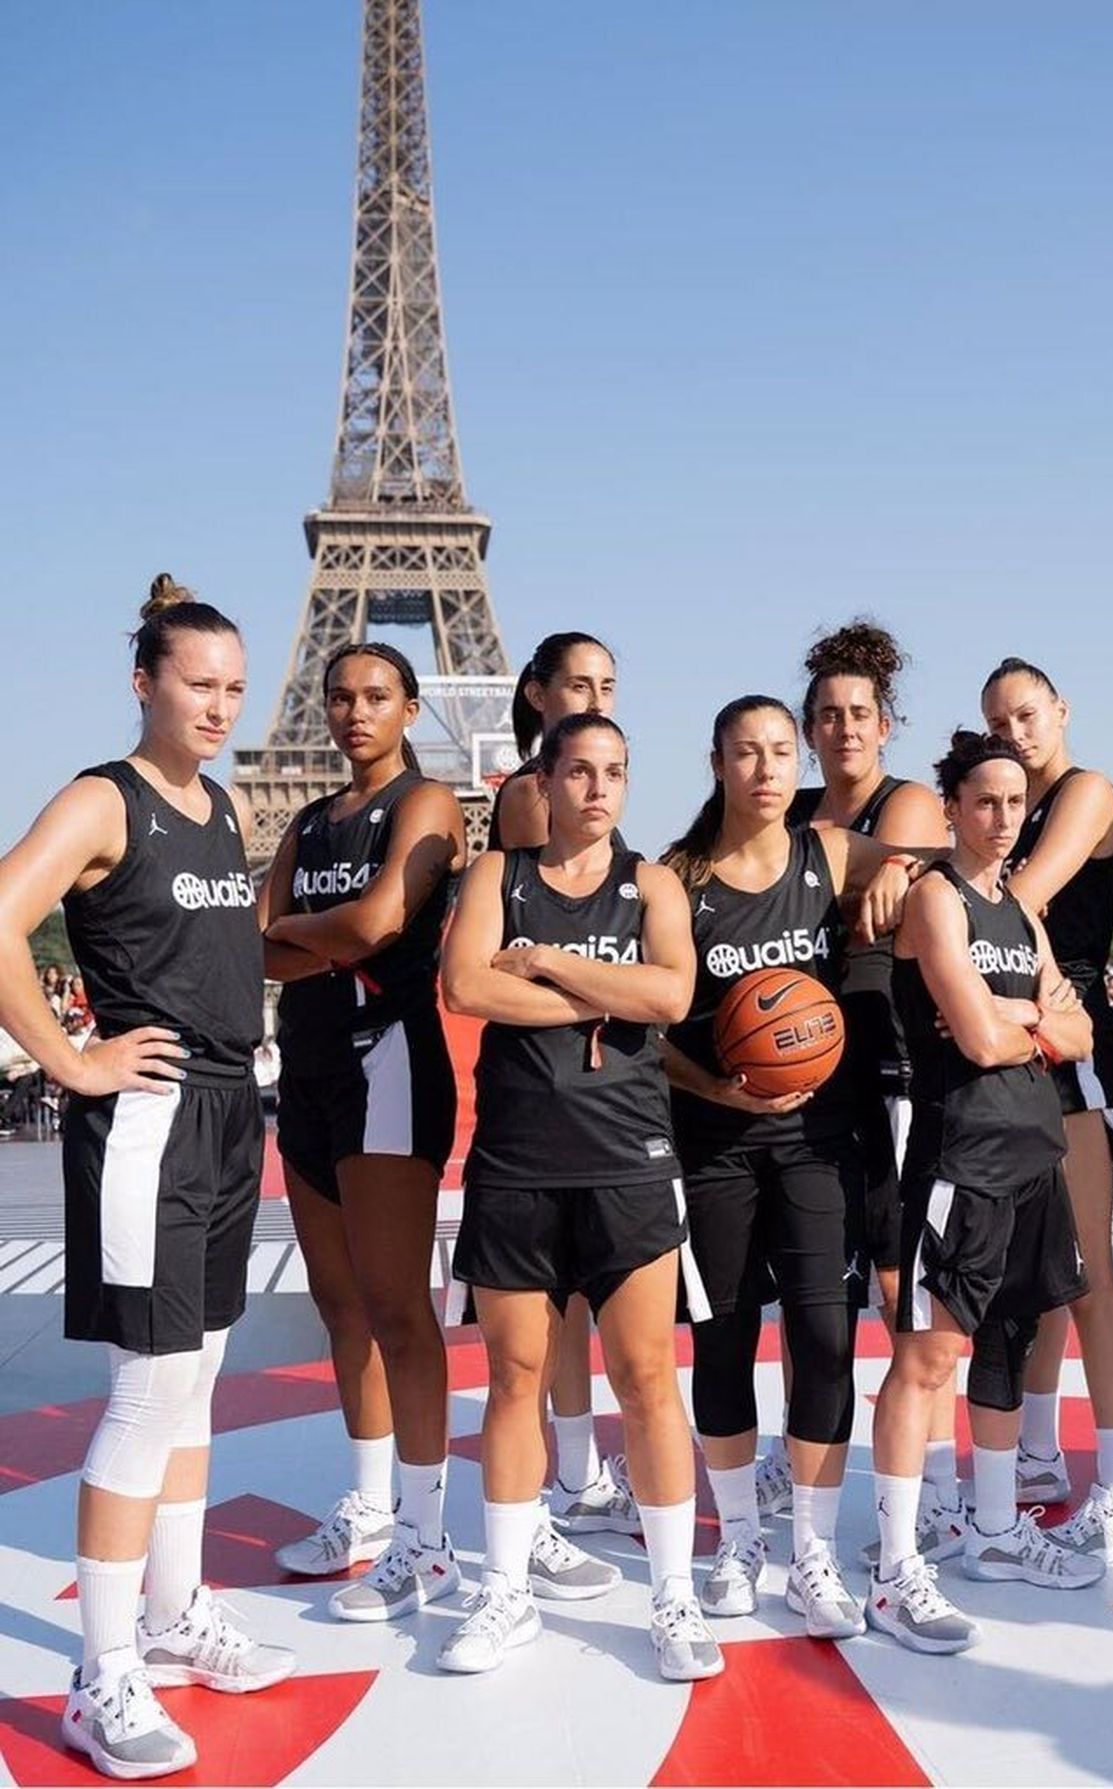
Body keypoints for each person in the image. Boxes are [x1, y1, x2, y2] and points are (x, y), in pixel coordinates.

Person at [0, 577, 294, 1780]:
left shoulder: (220, 806)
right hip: (151, 1120)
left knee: (202, 1376)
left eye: (234, 685)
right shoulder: (101, 799)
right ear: (143, 682)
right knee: (148, 1384)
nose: (221, 705)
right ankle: (100, 1670)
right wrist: (70, 1058)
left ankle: (173, 1617)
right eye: (198, 684)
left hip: (231, 1115)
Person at [441, 713, 722, 1680]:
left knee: (647, 1380)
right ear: (547, 781)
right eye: (580, 771)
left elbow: (675, 998)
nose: (598, 788)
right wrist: (614, 988)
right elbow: (468, 986)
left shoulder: (653, 884)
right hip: (518, 1162)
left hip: (629, 1161)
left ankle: (675, 1599)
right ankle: (507, 1589)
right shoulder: (496, 877)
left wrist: (555, 963)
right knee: (515, 1378)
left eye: (615, 771)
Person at [660, 695, 923, 1640]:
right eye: (747, 752)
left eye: (781, 750)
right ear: (718, 761)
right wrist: (721, 1090)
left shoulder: (833, 853)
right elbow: (652, 1026)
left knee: (825, 1336)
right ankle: (737, 1539)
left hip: (822, 1140)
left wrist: (896, 870)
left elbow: (945, 871)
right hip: (717, 1138)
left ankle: (811, 1550)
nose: (768, 769)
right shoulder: (676, 881)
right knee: (724, 1340)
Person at [868, 730, 1103, 1654]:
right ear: (954, 806)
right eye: (985, 802)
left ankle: (997, 1529)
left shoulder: (1020, 912)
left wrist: (1023, 1016)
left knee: (1013, 1334)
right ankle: (894, 1570)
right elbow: (973, 1040)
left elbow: (1079, 1034)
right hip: (961, 1156)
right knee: (928, 1356)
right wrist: (1024, 1018)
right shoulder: (935, 897)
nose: (1003, 818)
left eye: (1016, 803)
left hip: (1035, 1149)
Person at [260, 643, 466, 1619]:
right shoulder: (306, 818)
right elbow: (256, 947)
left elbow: (383, 922)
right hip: (308, 1070)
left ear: (410, 709)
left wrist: (316, 930)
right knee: (340, 1306)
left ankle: (426, 1535)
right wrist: (325, 934)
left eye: (376, 696)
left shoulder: (424, 805)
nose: (353, 711)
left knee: (398, 1309)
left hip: (386, 1057)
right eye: (339, 695)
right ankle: (372, 1504)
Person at [791, 621, 962, 1566]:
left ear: (885, 725)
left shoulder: (914, 808)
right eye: (828, 714)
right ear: (809, 729)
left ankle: (930, 1481)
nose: (844, 726)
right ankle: (815, 1450)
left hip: (890, 1059)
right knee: (820, 1279)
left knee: (907, 1283)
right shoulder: (801, 813)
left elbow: (904, 863)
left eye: (859, 712)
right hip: (810, 1066)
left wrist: (884, 865)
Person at [980, 657, 1113, 1554]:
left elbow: (1023, 897)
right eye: (999, 722)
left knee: (1089, 1276)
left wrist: (929, 895)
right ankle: (1037, 1452)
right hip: (1017, 1031)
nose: (1015, 730)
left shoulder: (1085, 790)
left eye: (1026, 713)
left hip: (1068, 1034)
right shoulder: (1018, 805)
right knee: (1034, 1273)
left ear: (1061, 710)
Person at [486, 632, 636, 1539]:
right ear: (536, 694)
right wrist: (602, 988)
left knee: (569, 1305)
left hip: (585, 1090)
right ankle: (567, 1475)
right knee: (551, 1312)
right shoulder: (531, 797)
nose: (595, 693)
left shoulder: (584, 795)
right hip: (546, 1090)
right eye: (578, 682)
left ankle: (572, 1469)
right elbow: (541, 951)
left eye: (608, 684)